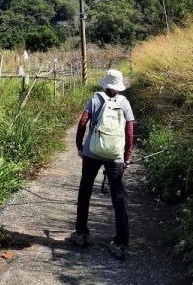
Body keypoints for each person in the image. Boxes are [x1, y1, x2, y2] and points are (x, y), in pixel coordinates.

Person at [71, 68, 134, 259]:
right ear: (120, 86)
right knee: (118, 197)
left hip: (92, 152)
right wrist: (126, 156)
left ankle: (81, 233)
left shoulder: (95, 99)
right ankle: (120, 242)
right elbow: (130, 132)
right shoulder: (125, 103)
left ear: (106, 84)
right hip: (114, 155)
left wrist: (80, 146)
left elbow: (82, 123)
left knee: (85, 190)